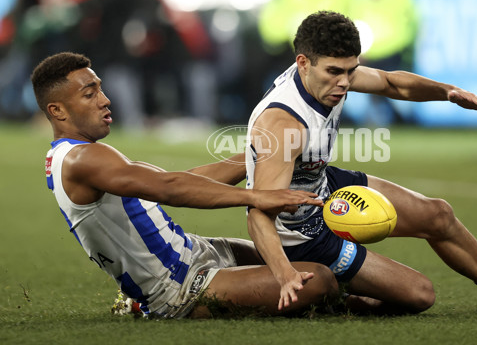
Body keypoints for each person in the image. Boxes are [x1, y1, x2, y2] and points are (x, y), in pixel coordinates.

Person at [245, 10, 477, 314]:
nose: (345, 83)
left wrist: (448, 92)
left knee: (437, 214)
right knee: (420, 294)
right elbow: (260, 211)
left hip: (321, 186)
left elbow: (393, 83)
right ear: (303, 62)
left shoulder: (328, 76)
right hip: (300, 233)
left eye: (351, 70)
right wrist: (285, 274)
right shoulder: (284, 122)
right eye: (335, 72)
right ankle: (327, 292)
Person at [31, 51, 339, 319]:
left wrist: (260, 152)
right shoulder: (80, 158)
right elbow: (170, 187)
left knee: (299, 254)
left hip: (194, 251)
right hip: (179, 287)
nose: (105, 100)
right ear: (57, 111)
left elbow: (187, 178)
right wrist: (259, 196)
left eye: (100, 89)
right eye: (90, 94)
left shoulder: (85, 154)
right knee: (319, 280)